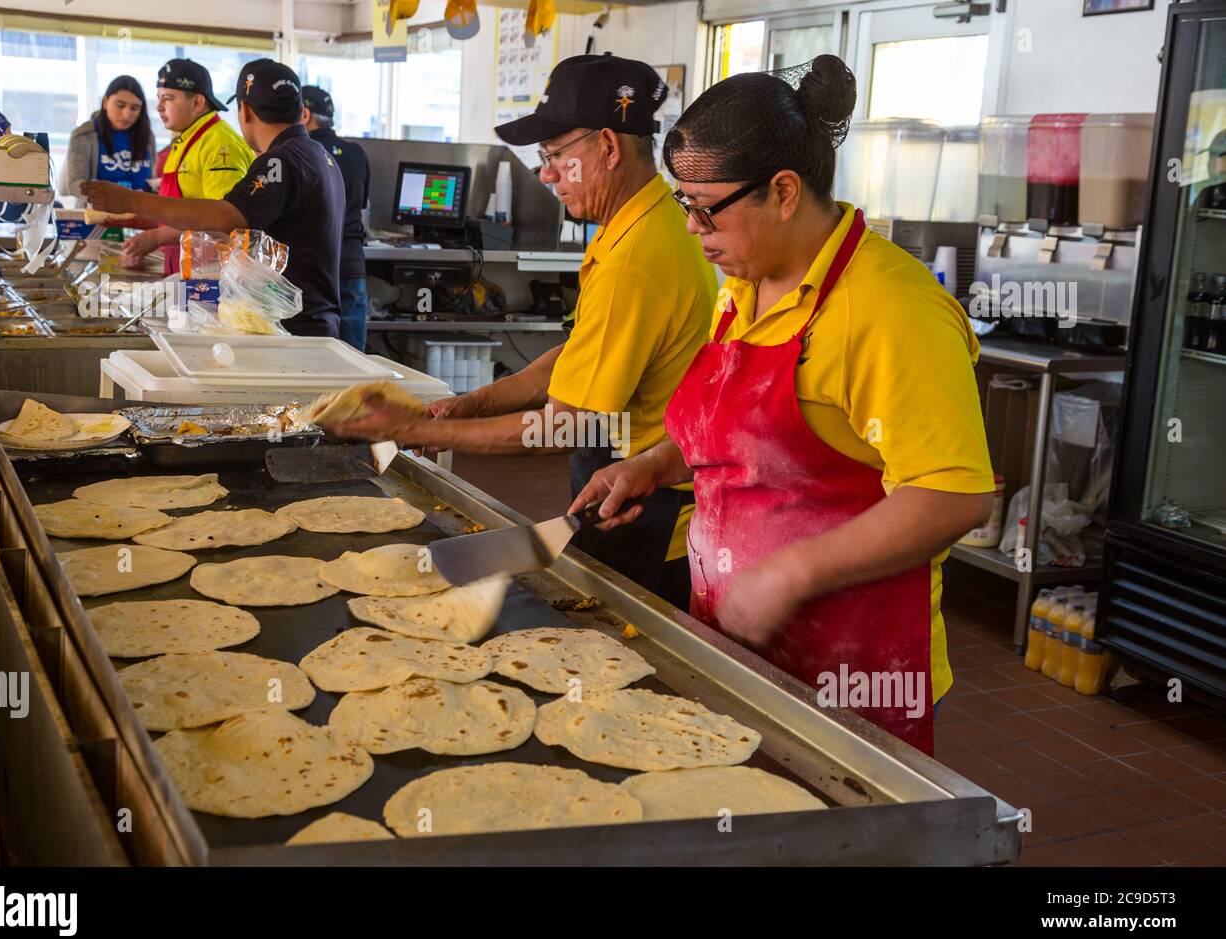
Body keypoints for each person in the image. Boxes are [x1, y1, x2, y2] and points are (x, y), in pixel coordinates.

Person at [570, 57, 995, 755]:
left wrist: (791, 574)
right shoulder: (746, 282)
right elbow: (739, 432)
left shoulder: (891, 310)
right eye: (683, 205)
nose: (691, 228)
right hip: (740, 643)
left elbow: (953, 496)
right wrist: (650, 464)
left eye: (705, 208)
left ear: (785, 191)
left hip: (852, 670)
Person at [314, 54, 716, 609]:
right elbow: (578, 355)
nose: (546, 173)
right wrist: (469, 405)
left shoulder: (637, 258)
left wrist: (418, 431)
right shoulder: (642, 223)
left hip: (649, 505)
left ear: (608, 146)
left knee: (618, 645)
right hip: (623, 480)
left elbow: (560, 428)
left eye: (555, 155)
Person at [82, 59, 345, 337]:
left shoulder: (279, 161)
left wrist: (132, 201)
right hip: (313, 319)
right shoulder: (318, 155)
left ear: (244, 110)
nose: (160, 107)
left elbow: (225, 217)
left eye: (168, 98)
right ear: (299, 110)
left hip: (295, 326)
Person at [120, 58, 254, 273]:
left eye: (168, 98)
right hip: (184, 264)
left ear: (197, 103)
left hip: (210, 274)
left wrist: (157, 237)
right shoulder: (185, 140)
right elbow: (181, 206)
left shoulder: (220, 144)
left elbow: (223, 222)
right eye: (158, 98)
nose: (159, 107)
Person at [302, 85, 371, 350]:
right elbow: (362, 207)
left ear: (305, 114)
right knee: (354, 357)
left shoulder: (300, 153)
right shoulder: (356, 152)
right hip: (351, 263)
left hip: (314, 266)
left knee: (317, 358)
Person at [59, 75, 155, 204]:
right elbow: (75, 184)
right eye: (120, 105)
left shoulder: (147, 137)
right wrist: (114, 197)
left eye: (134, 108)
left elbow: (149, 182)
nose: (127, 114)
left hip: (139, 217)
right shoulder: (84, 135)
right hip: (96, 215)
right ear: (105, 102)